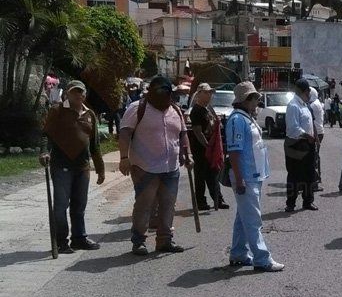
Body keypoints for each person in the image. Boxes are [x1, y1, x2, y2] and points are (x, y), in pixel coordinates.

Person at [119, 75, 192, 256]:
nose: (163, 96)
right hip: (145, 167)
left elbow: (183, 134)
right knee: (144, 205)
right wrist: (124, 157)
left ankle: (165, 240)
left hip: (171, 167)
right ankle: (139, 242)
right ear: (151, 92)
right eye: (159, 92)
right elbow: (125, 133)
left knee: (168, 205)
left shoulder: (175, 110)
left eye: (166, 93)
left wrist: (188, 154)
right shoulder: (137, 108)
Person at [39, 80, 106, 254]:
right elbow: (46, 134)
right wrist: (44, 151)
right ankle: (61, 241)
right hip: (61, 166)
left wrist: (100, 169)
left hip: (82, 167)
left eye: (81, 92)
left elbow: (95, 144)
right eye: (74, 91)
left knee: (79, 205)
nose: (78, 95)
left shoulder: (90, 114)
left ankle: (79, 238)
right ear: (67, 93)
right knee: (61, 206)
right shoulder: (57, 110)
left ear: (85, 94)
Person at [226, 82, 284, 272]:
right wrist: (240, 179)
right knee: (253, 220)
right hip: (246, 176)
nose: (257, 102)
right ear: (246, 100)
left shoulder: (246, 117)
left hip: (253, 175)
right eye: (254, 99)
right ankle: (262, 258)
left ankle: (238, 253)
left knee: (243, 217)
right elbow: (234, 152)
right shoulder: (237, 120)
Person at [190, 83, 228, 211]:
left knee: (213, 175)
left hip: (210, 147)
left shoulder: (208, 109)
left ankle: (218, 199)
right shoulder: (196, 111)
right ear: (199, 94)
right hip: (201, 149)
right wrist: (207, 146)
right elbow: (198, 132)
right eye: (206, 93)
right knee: (200, 176)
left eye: (210, 93)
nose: (209, 95)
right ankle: (201, 202)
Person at [284, 78, 318, 212]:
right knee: (294, 175)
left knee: (309, 173)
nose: (309, 93)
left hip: (308, 143)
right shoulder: (293, 106)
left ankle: (308, 201)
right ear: (304, 91)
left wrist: (314, 137)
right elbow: (293, 128)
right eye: (308, 91)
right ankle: (290, 203)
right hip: (295, 144)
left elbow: (310, 124)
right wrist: (307, 135)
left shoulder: (305, 105)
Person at [309, 87, 325, 192]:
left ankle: (315, 179)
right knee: (316, 155)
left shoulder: (313, 105)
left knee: (313, 156)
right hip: (319, 131)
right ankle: (318, 176)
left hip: (316, 132)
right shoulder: (318, 102)